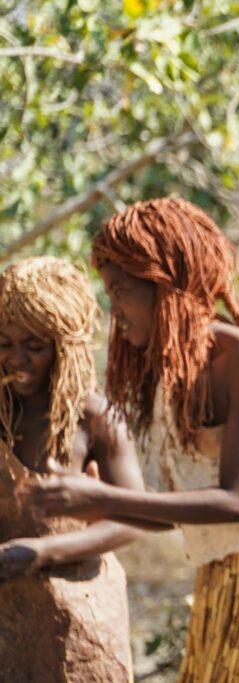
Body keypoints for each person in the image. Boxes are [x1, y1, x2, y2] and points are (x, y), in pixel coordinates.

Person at [25, 198, 239, 681]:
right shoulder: (167, 374)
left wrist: (103, 496)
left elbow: (237, 502)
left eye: (121, 292)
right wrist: (88, 506)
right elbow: (173, 512)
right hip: (225, 578)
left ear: (165, 285)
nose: (114, 310)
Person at [0, 256, 138, 681]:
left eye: (35, 346)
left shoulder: (94, 418)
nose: (16, 359)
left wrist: (42, 552)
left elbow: (133, 519)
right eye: (4, 342)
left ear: (65, 346)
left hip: (81, 620)